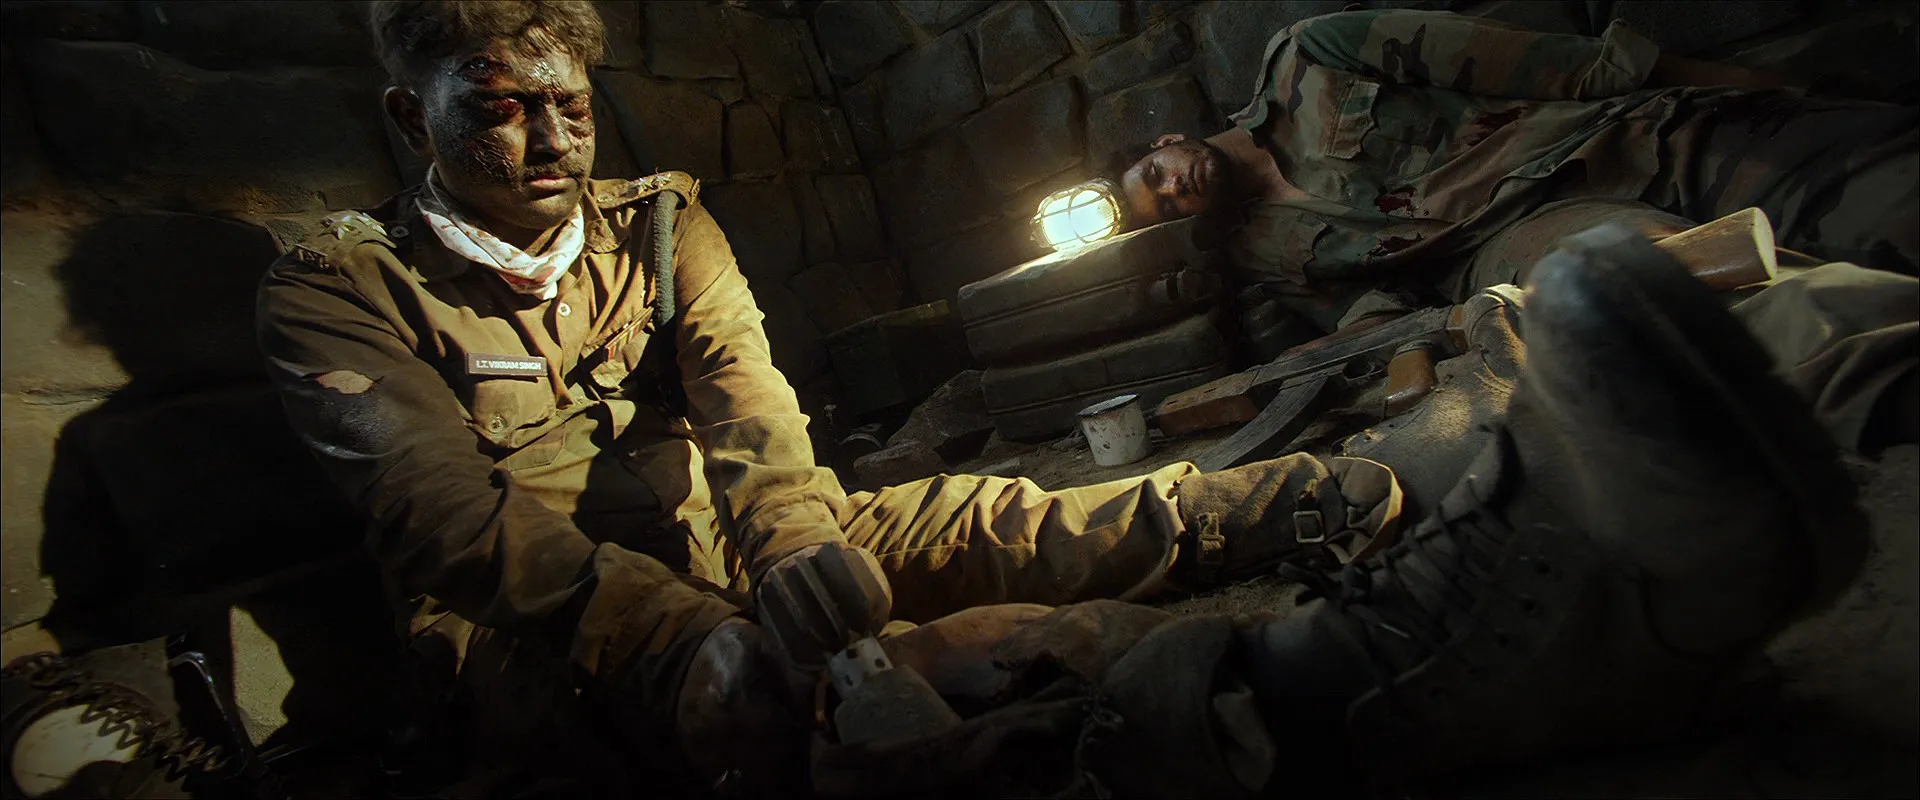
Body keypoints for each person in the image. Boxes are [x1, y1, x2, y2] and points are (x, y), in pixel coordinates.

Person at [255, 1, 1415, 793]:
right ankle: (1047, 730)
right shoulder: (336, 288)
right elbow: (445, 517)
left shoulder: (661, 223)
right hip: (541, 627)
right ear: (411, 117)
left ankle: (1257, 510)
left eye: (573, 105)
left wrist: (795, 536)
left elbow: (747, 400)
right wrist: (675, 632)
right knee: (766, 704)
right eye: (501, 109)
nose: (555, 140)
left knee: (988, 516)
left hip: (722, 529)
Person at [1111, 7, 1918, 457]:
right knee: (1666, 297)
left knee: (1884, 185)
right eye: (1166, 206)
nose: (1176, 189)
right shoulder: (1258, 252)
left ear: (1166, 142)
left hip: (1620, 137)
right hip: (1529, 238)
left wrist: (1761, 89)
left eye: (1158, 175)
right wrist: (1362, 349)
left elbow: (1543, 62)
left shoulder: (1308, 58)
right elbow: (1376, 310)